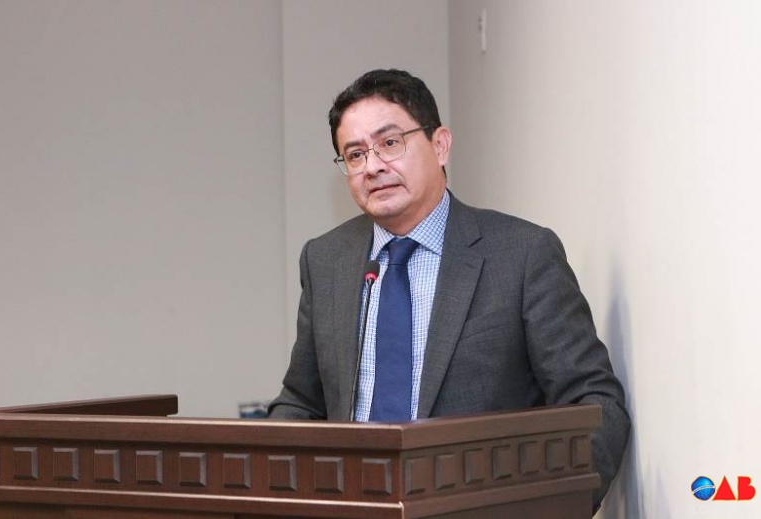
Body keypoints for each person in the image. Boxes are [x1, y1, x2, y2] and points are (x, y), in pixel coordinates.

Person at [268, 69, 630, 511]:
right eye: (355, 154)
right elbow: (301, 403)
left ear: (439, 145)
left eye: (390, 143)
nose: (373, 166)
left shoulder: (521, 254)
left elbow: (594, 403)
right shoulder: (326, 260)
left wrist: (543, 510)